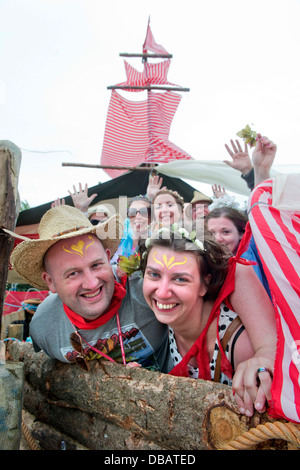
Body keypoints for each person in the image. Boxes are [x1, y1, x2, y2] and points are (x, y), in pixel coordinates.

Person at [9, 205, 170, 372]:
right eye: (73, 274)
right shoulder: (43, 326)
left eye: (96, 265)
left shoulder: (149, 292)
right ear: (50, 282)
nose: (92, 284)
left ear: (108, 258)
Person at [139, 225, 277, 417]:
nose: (162, 293)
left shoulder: (238, 345)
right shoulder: (153, 316)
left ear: (205, 284)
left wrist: (265, 356)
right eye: (154, 274)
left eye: (180, 279)